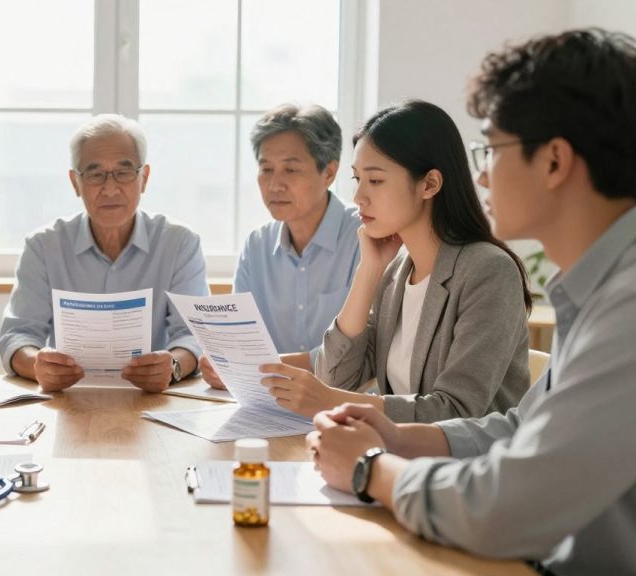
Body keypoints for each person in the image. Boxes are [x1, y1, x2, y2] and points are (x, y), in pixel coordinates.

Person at [307, 28, 636, 575]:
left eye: (492, 149)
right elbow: (518, 430)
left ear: (554, 161)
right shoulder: (599, 292)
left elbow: (508, 505)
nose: (480, 172)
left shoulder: (625, 308)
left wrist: (369, 468)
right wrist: (395, 434)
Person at [260, 99, 532, 423]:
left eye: (375, 180)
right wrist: (368, 271)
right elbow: (335, 378)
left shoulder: (489, 271)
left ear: (429, 184)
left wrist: (331, 401)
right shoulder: (395, 272)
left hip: (468, 468)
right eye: (357, 179)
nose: (359, 196)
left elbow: (457, 412)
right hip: (401, 460)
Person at [0, 114, 209, 393]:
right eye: (96, 174)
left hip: (153, 400)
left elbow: (194, 335)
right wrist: (37, 364)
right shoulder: (43, 246)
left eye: (123, 173)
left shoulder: (179, 243)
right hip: (69, 399)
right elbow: (17, 335)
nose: (110, 189)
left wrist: (173, 366)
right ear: (75, 182)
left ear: (143, 178)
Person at [198, 104, 360, 389]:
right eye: (266, 169)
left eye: (291, 169)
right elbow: (239, 342)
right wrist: (224, 363)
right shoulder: (257, 245)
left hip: (347, 406)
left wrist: (255, 368)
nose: (274, 184)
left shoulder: (363, 237)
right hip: (270, 402)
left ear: (329, 173)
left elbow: (358, 353)